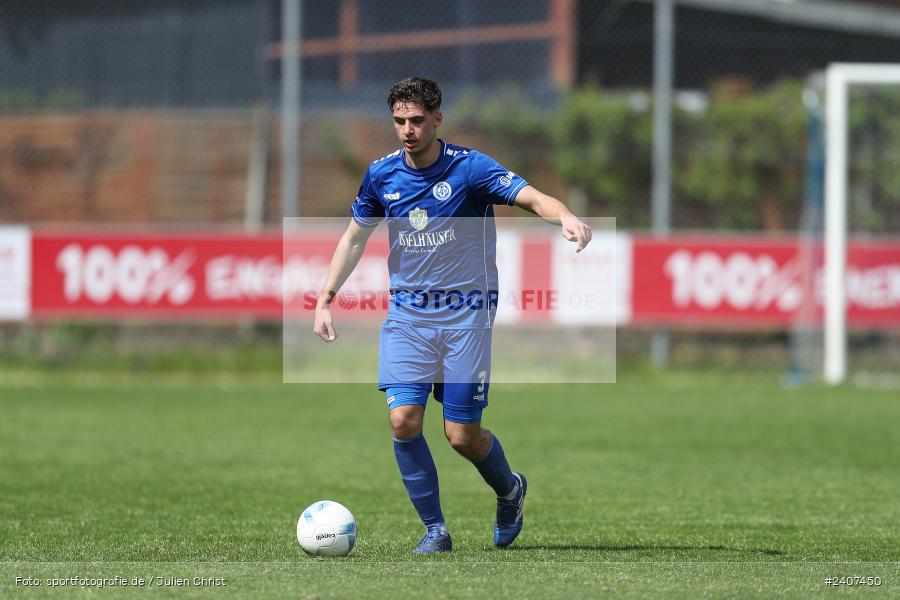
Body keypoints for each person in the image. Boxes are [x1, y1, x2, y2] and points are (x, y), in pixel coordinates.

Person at [313, 77, 591, 554]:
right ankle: (435, 530)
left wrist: (563, 215)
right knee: (403, 420)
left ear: (437, 119)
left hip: (466, 318)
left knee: (462, 436)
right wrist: (324, 298)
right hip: (408, 316)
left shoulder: (470, 168)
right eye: (399, 121)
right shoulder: (381, 175)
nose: (408, 130)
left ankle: (510, 491)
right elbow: (355, 237)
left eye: (417, 120)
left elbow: (532, 197)